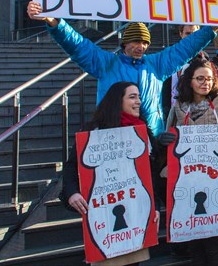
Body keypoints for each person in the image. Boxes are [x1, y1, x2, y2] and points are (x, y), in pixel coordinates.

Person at [26, 1, 217, 137]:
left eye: (144, 42)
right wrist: (54, 22)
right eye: (135, 41)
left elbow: (184, 48)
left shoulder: (156, 65)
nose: (140, 47)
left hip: (151, 138)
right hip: (113, 138)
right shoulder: (106, 63)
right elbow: (77, 45)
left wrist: (212, 28)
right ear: (124, 43)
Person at [60, 81, 161, 266]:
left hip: (136, 220)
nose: (138, 101)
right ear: (117, 101)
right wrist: (72, 193)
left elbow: (151, 175)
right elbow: (72, 167)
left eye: (139, 96)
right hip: (104, 221)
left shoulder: (143, 133)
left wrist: (154, 205)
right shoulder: (93, 132)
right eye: (132, 97)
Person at [160, 58, 218, 266]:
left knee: (214, 244)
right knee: (194, 243)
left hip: (215, 181)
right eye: (200, 78)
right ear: (190, 81)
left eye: (210, 79)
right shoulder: (178, 107)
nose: (206, 82)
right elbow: (170, 142)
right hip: (187, 182)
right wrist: (164, 139)